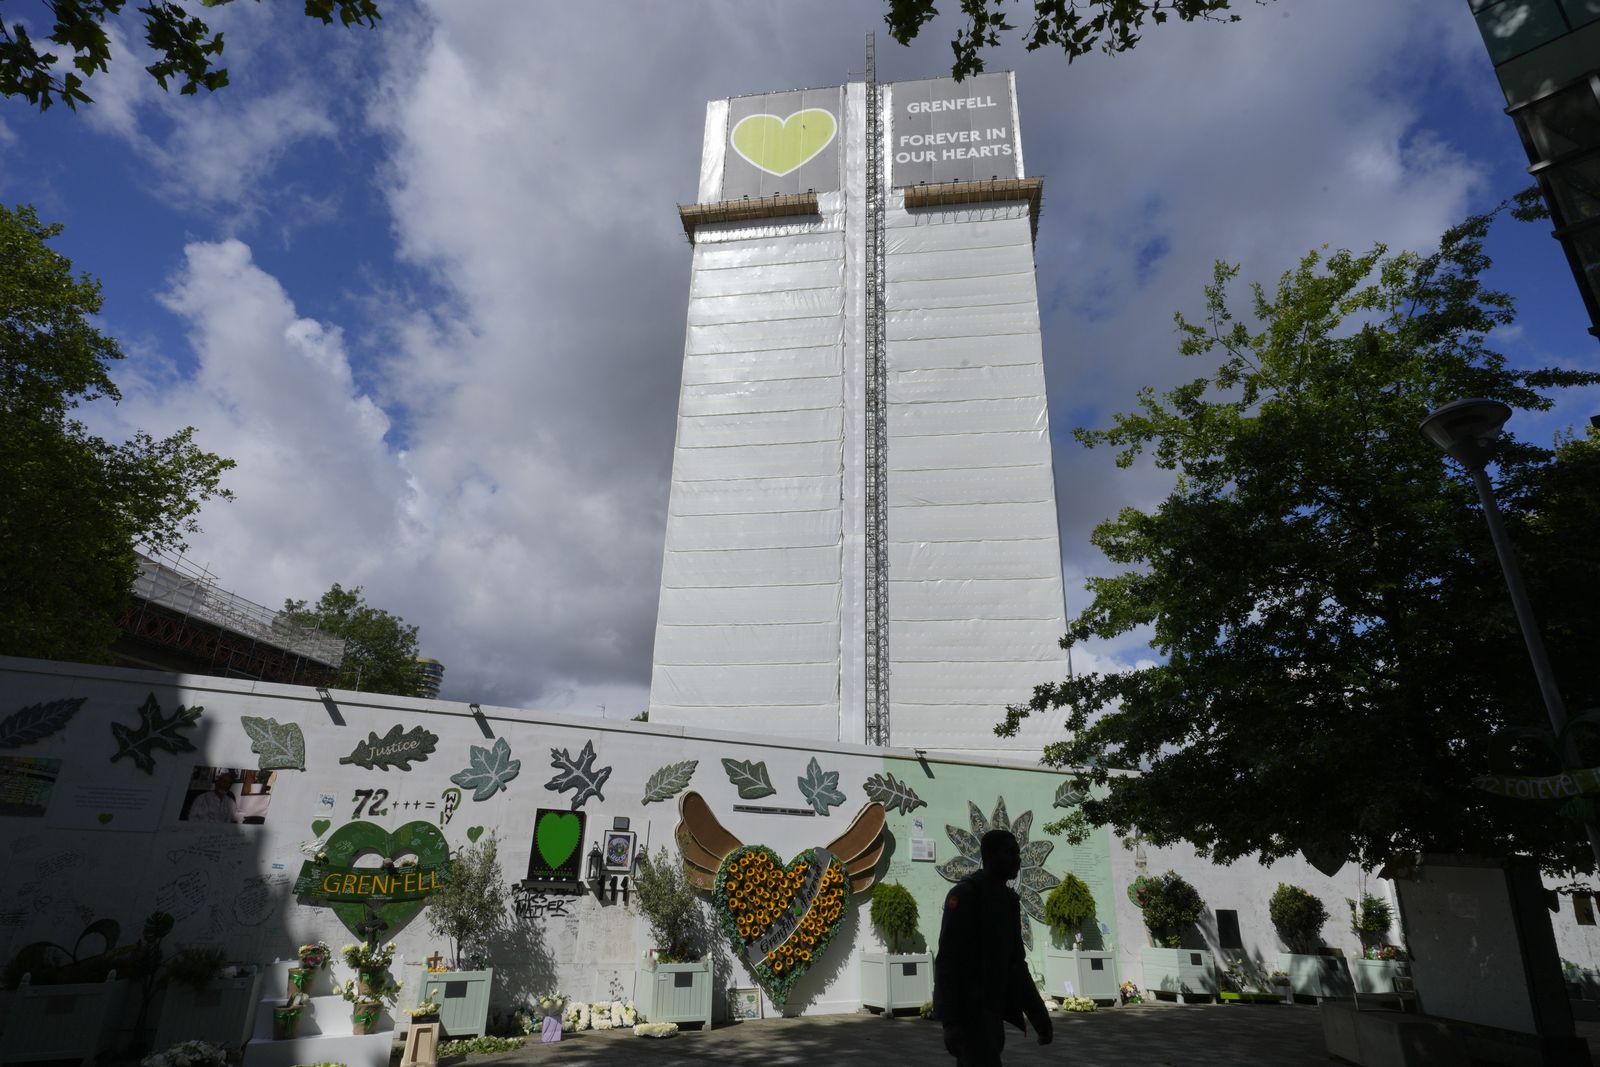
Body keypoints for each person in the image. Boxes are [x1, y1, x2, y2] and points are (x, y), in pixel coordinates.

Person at [934, 829, 1053, 1066]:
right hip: (970, 1013)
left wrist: (1039, 1017)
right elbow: (949, 960)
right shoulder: (966, 895)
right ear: (989, 857)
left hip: (993, 1013)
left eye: (1018, 853)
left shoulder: (1009, 901)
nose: (1018, 859)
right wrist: (950, 1022)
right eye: (1010, 853)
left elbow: (1016, 965)